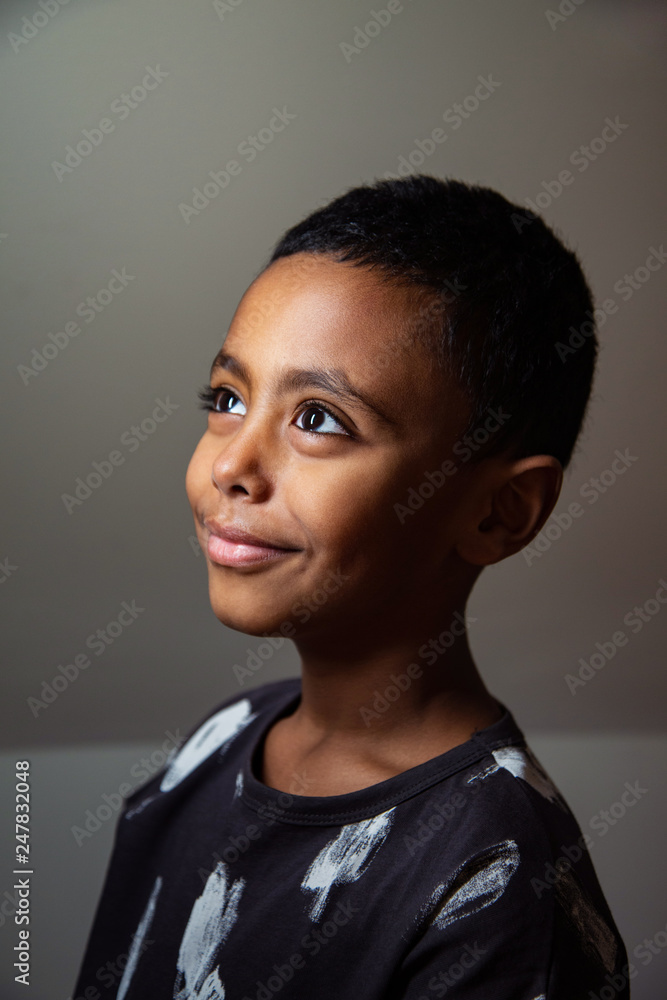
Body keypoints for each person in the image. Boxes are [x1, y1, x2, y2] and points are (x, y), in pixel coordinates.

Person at [72, 175, 630, 999]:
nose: (229, 464)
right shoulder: (220, 741)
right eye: (227, 398)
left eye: (318, 420)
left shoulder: (497, 884)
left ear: (497, 513)